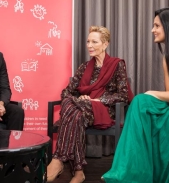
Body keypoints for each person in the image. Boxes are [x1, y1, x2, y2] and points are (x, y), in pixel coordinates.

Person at [102, 7, 169, 183]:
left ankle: (130, 173)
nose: (153, 30)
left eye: (156, 26)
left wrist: (155, 93)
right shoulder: (168, 56)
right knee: (140, 102)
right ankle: (128, 173)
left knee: (147, 98)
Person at [47, 26, 133, 183]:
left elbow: (123, 95)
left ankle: (59, 160)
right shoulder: (84, 67)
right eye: (88, 41)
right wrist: (82, 99)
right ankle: (78, 172)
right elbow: (66, 92)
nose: (89, 45)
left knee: (71, 106)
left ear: (105, 44)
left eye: (94, 42)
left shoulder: (117, 65)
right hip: (81, 109)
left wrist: (98, 100)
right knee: (74, 109)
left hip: (104, 110)